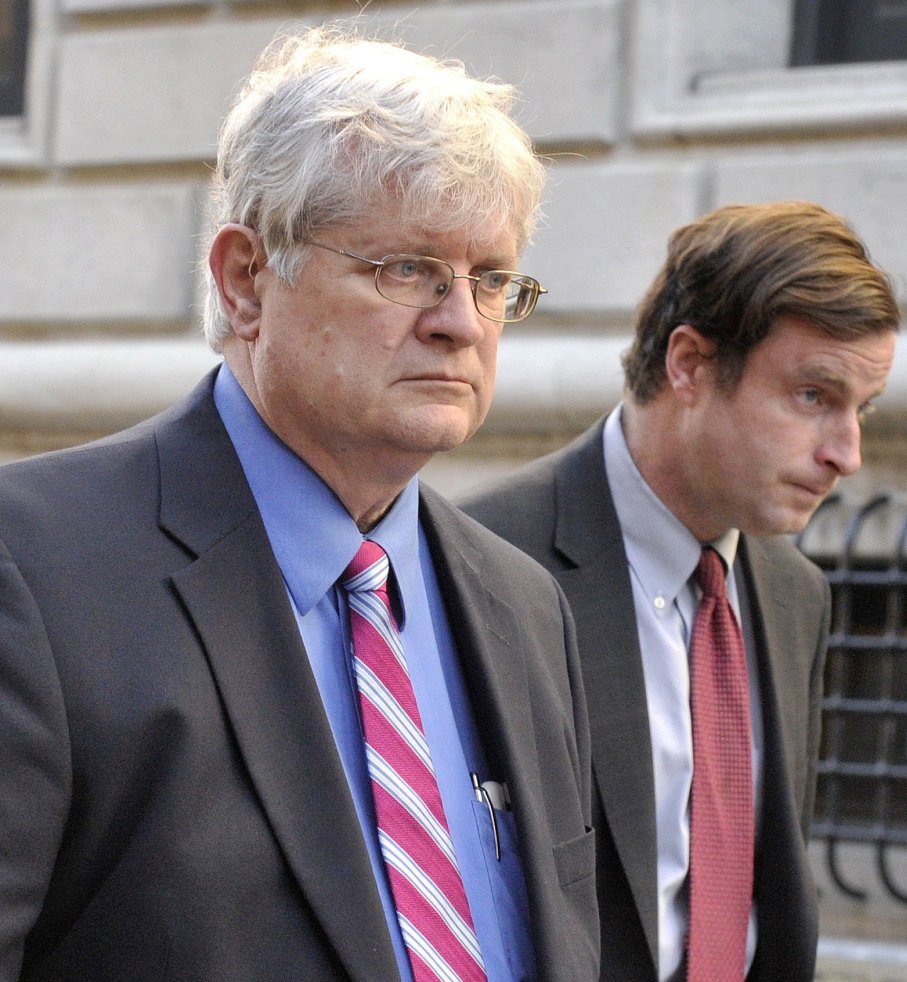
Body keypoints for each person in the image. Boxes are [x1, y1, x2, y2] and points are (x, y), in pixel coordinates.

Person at [0, 25, 599, 982]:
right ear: (246, 281)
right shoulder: (34, 570)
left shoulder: (523, 605)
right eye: (406, 269)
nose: (458, 322)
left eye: (490, 280)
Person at [461, 200, 899, 982]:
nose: (847, 454)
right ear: (689, 364)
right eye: (814, 397)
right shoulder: (483, 560)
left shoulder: (796, 596)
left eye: (861, 410)